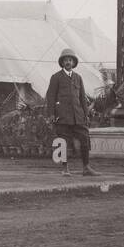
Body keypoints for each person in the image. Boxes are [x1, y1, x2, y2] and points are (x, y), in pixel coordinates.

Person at [46, 48, 97, 176]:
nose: (68, 62)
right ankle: (65, 168)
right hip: (62, 116)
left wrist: (85, 115)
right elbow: (50, 97)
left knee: (85, 139)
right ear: (62, 63)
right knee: (63, 142)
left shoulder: (78, 78)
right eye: (65, 60)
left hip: (78, 116)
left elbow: (82, 98)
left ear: (73, 63)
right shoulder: (56, 77)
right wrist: (52, 114)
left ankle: (86, 167)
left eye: (70, 60)